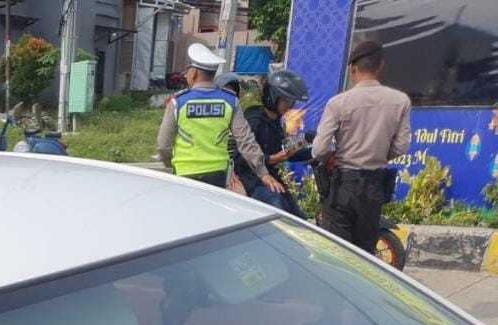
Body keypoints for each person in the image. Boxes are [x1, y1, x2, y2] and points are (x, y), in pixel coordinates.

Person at [311, 39, 411, 253]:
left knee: (337, 253)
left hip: (343, 187)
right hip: (374, 187)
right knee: (365, 256)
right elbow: (401, 147)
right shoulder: (400, 101)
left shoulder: (338, 103)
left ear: (352, 68)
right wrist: (379, 154)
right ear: (380, 67)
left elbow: (319, 150)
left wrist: (337, 153)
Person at [156, 43, 285, 195]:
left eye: (188, 71)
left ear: (194, 73)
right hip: (218, 175)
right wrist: (263, 172)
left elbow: (163, 145)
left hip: (185, 173)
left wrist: (168, 162)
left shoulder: (178, 102)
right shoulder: (230, 100)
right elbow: (245, 140)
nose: (186, 75)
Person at [233, 70, 313, 217]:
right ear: (273, 96)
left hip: (272, 179)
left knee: (299, 218)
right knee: (279, 212)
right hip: (251, 180)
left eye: (291, 101)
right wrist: (272, 159)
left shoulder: (276, 121)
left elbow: (286, 152)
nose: (289, 106)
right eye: (286, 101)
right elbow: (239, 159)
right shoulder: (254, 120)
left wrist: (312, 148)